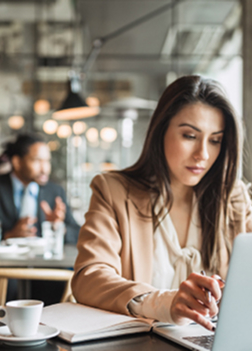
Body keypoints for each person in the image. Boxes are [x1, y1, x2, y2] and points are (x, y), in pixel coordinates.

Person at [72, 75, 252, 332]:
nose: (203, 154)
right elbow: (89, 278)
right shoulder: (114, 191)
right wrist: (164, 303)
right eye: (190, 135)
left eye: (215, 140)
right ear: (161, 130)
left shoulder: (233, 199)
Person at [0, 133, 80, 244]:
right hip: (2, 265)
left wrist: (57, 227)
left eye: (47, 161)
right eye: (37, 160)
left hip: (43, 265)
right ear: (17, 162)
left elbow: (79, 234)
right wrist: (7, 236)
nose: (45, 169)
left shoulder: (55, 191)